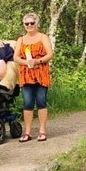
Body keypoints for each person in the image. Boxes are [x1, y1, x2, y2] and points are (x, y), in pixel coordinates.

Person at [14, 12, 53, 142]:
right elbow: (16, 57)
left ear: (37, 24)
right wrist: (26, 62)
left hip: (41, 73)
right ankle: (27, 132)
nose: (29, 25)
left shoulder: (43, 37)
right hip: (26, 75)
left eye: (32, 23)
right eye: (27, 23)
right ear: (24, 25)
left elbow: (49, 54)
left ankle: (42, 131)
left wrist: (38, 61)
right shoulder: (21, 40)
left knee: (41, 101)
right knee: (28, 102)